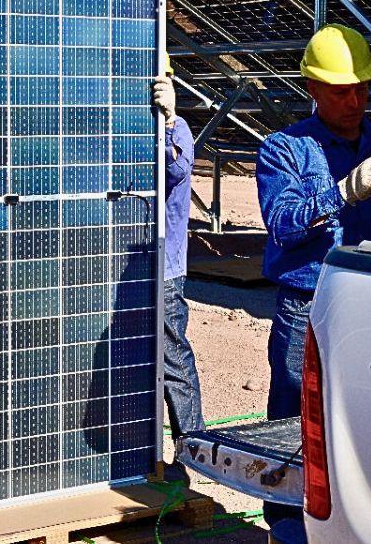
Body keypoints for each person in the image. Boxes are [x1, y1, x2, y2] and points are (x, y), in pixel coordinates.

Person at [255, 23, 371, 525]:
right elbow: (281, 223)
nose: (355, 100)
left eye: (362, 88)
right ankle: (286, 524)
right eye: (341, 90)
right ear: (313, 89)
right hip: (308, 306)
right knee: (296, 422)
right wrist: (343, 191)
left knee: (363, 417)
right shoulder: (284, 149)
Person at [152, 60, 205, 468]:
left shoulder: (177, 129)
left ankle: (192, 446)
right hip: (126, 266)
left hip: (164, 270)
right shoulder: (117, 128)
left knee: (172, 356)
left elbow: (176, 169)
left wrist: (168, 120)